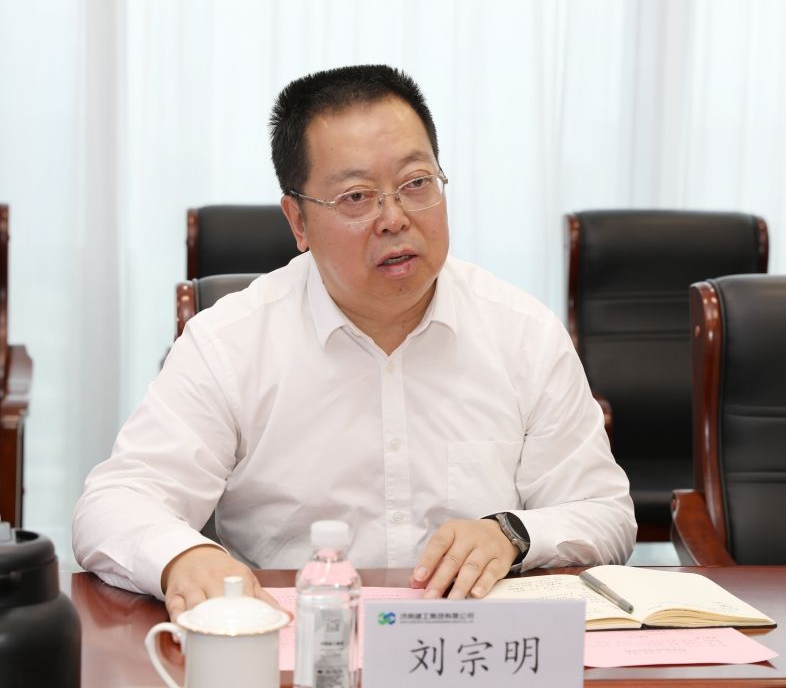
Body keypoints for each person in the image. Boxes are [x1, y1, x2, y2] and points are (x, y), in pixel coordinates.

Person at [72, 64, 636, 622]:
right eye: (357, 196)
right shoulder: (230, 343)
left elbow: (605, 513)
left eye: (416, 184)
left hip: (470, 645)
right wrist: (184, 557)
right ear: (297, 221)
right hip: (298, 640)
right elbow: (115, 502)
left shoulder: (522, 333)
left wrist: (512, 534)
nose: (394, 218)